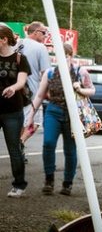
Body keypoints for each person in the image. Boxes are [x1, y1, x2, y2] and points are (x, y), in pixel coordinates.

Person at [27, 43, 95, 196]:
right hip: (53, 110)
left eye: (66, 55)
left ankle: (67, 183)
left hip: (73, 114)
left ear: (71, 56)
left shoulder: (80, 72)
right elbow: (39, 96)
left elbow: (92, 90)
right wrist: (31, 115)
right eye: (60, 55)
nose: (63, 58)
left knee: (70, 149)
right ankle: (49, 179)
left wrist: (80, 88)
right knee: (48, 142)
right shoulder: (50, 73)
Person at [0, 23, 31, 198]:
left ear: (4, 40)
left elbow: (21, 82)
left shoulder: (20, 59)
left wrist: (13, 88)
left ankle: (19, 185)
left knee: (14, 149)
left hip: (13, 111)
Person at [18, 22, 52, 162]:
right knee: (34, 124)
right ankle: (20, 142)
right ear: (36, 32)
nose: (45, 36)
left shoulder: (17, 44)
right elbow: (46, 73)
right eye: (44, 33)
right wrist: (49, 92)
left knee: (19, 122)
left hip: (13, 90)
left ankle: (20, 151)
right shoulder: (40, 48)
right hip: (31, 93)